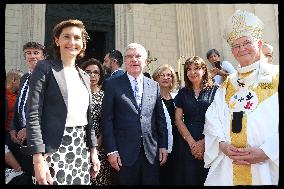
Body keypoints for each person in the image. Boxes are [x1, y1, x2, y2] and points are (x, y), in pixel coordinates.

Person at [203, 10, 279, 186]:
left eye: (246, 43)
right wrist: (221, 144)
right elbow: (212, 118)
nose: (241, 49)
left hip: (267, 165)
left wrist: (268, 151)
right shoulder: (228, 83)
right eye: (236, 46)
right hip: (230, 165)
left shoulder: (276, 76)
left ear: (259, 43)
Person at [21, 19, 100, 185]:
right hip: (51, 149)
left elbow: (89, 119)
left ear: (83, 43)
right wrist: (38, 158)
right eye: (66, 37)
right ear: (57, 40)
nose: (72, 42)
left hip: (80, 148)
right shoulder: (45, 68)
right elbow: (33, 113)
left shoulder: (84, 76)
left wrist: (93, 151)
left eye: (77, 38)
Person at [101, 42, 168, 185]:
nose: (134, 59)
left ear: (145, 61)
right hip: (123, 155)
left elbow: (160, 119)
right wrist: (111, 150)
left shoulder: (154, 85)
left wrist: (163, 145)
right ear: (125, 61)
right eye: (129, 56)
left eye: (138, 56)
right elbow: (107, 120)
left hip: (151, 153)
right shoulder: (112, 84)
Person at [173, 56, 218, 185]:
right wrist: (192, 143)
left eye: (196, 68)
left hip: (210, 140)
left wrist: (203, 143)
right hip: (187, 142)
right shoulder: (183, 92)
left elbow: (221, 119)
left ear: (204, 70)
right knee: (189, 178)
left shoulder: (216, 90)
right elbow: (178, 120)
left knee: (208, 178)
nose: (192, 72)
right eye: (189, 69)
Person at [9, 42, 46, 183]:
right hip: (21, 137)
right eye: (28, 53)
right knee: (26, 175)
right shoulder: (24, 78)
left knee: (39, 176)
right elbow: (20, 104)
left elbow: (47, 109)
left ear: (43, 56)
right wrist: (13, 128)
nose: (32, 56)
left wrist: (28, 128)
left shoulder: (47, 77)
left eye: (36, 52)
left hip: (39, 136)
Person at [80, 58, 111, 186]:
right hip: (79, 145)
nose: (92, 75)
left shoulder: (105, 97)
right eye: (88, 72)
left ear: (100, 75)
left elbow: (108, 122)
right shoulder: (78, 94)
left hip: (100, 145)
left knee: (98, 180)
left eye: (96, 72)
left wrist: (99, 143)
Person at [152, 64, 178, 185]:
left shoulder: (177, 97)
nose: (166, 78)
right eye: (162, 75)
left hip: (178, 145)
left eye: (169, 75)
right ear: (156, 78)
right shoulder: (151, 99)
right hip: (160, 146)